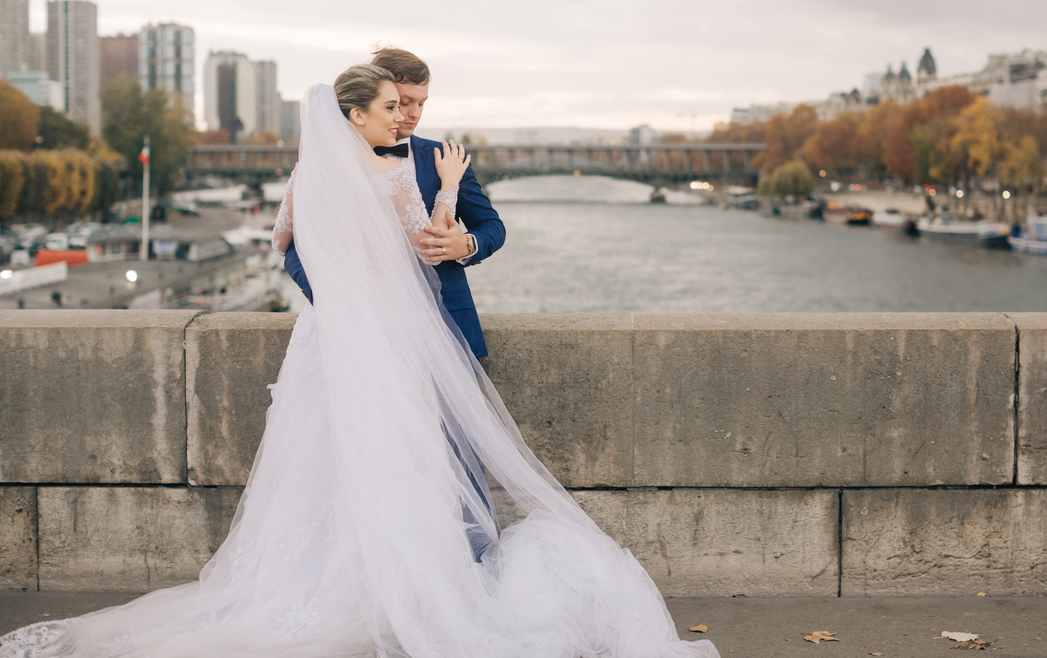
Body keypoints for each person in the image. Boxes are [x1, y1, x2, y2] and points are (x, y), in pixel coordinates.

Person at [0, 66, 718, 658]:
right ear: (370, 107)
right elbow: (313, 247)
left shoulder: (399, 156)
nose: (407, 117)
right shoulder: (364, 168)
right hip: (372, 338)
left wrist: (462, 244)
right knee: (377, 466)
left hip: (405, 339)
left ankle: (413, 585)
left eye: (416, 105)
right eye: (397, 105)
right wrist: (360, 289)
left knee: (394, 469)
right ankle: (409, 593)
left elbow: (478, 227)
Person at [284, 47, 504, 358]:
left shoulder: (445, 156)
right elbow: (292, 243)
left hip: (449, 327)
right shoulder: (325, 164)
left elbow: (492, 226)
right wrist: (327, 294)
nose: (412, 113)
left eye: (422, 103)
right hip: (362, 331)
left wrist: (466, 245)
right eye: (402, 103)